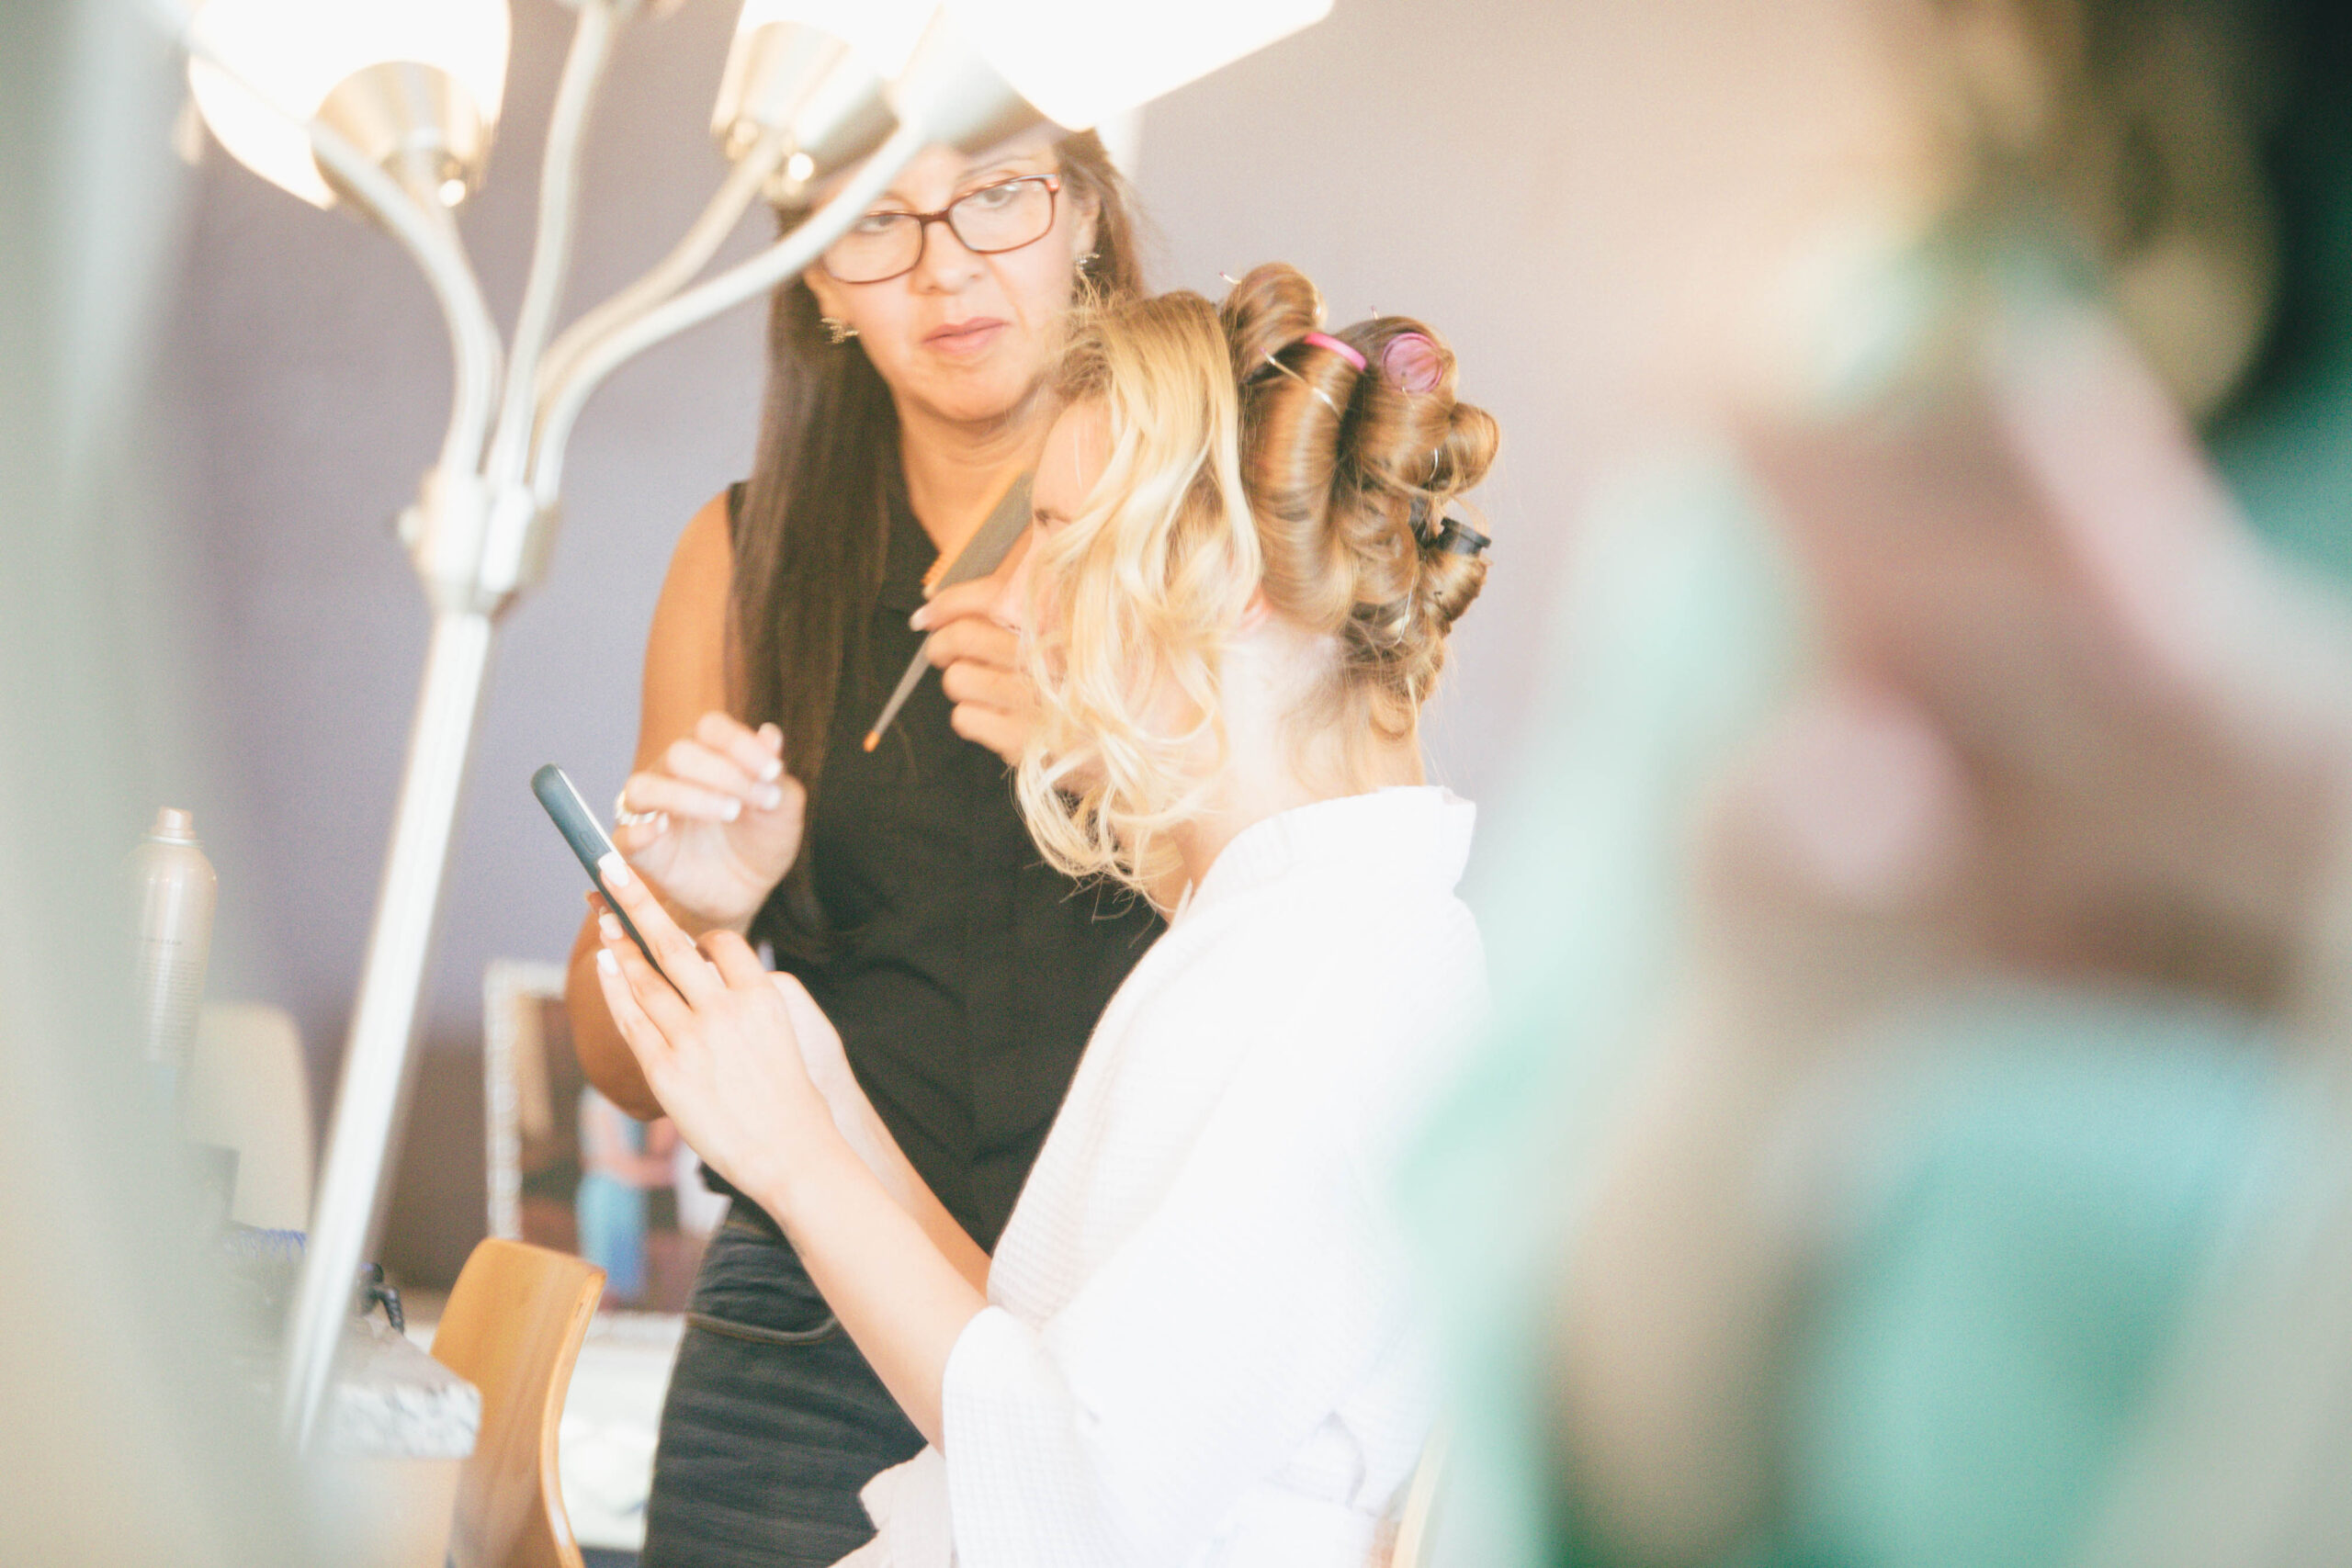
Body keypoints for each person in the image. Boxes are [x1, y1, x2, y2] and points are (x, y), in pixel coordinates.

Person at [585, 264, 1500, 1566]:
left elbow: (1070, 1504)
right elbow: (1038, 1383)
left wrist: (795, 1159)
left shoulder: (1338, 983)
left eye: (1059, 536)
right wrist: (828, 1109)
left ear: (1227, 574)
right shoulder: (1269, 937)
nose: (1011, 599)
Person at [560, 128, 1160, 1567]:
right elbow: (617, 1063)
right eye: (873, 223)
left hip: (1128, 1327)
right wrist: (691, 911)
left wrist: (1106, 764)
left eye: (997, 195)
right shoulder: (745, 557)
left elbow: (1316, 920)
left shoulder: (1206, 536)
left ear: (1084, 211)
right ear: (816, 278)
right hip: (808, 1333)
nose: (944, 268)